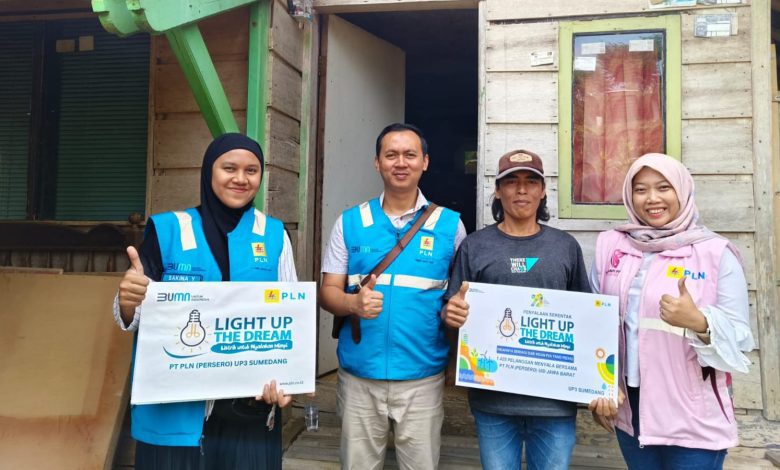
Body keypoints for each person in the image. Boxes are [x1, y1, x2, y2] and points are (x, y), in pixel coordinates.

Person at [114, 133, 297, 470]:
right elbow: (135, 316)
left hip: (248, 413)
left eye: (252, 170)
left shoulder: (274, 236)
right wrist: (128, 300)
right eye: (229, 168)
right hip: (174, 413)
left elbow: (289, 318)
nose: (241, 179)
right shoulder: (169, 231)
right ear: (208, 171)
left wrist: (288, 380)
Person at [588, 153, 754, 470]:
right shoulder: (611, 246)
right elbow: (597, 325)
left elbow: (741, 338)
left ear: (682, 190)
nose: (652, 198)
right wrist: (601, 388)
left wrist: (701, 323)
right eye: (640, 189)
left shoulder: (714, 252)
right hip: (630, 408)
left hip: (693, 414)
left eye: (663, 187)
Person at [318, 123, 467, 470]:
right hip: (360, 376)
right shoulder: (350, 222)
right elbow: (327, 292)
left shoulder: (451, 226)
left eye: (410, 154)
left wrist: (456, 322)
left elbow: (458, 298)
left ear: (425, 162)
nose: (401, 162)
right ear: (377, 162)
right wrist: (352, 303)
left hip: (422, 377)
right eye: (391, 155)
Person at [443, 149, 591, 470]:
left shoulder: (565, 246)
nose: (521, 190)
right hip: (493, 400)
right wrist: (451, 316)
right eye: (511, 182)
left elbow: (587, 319)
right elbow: (452, 312)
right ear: (497, 191)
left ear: (543, 191)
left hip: (554, 402)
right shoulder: (474, 246)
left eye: (530, 182)